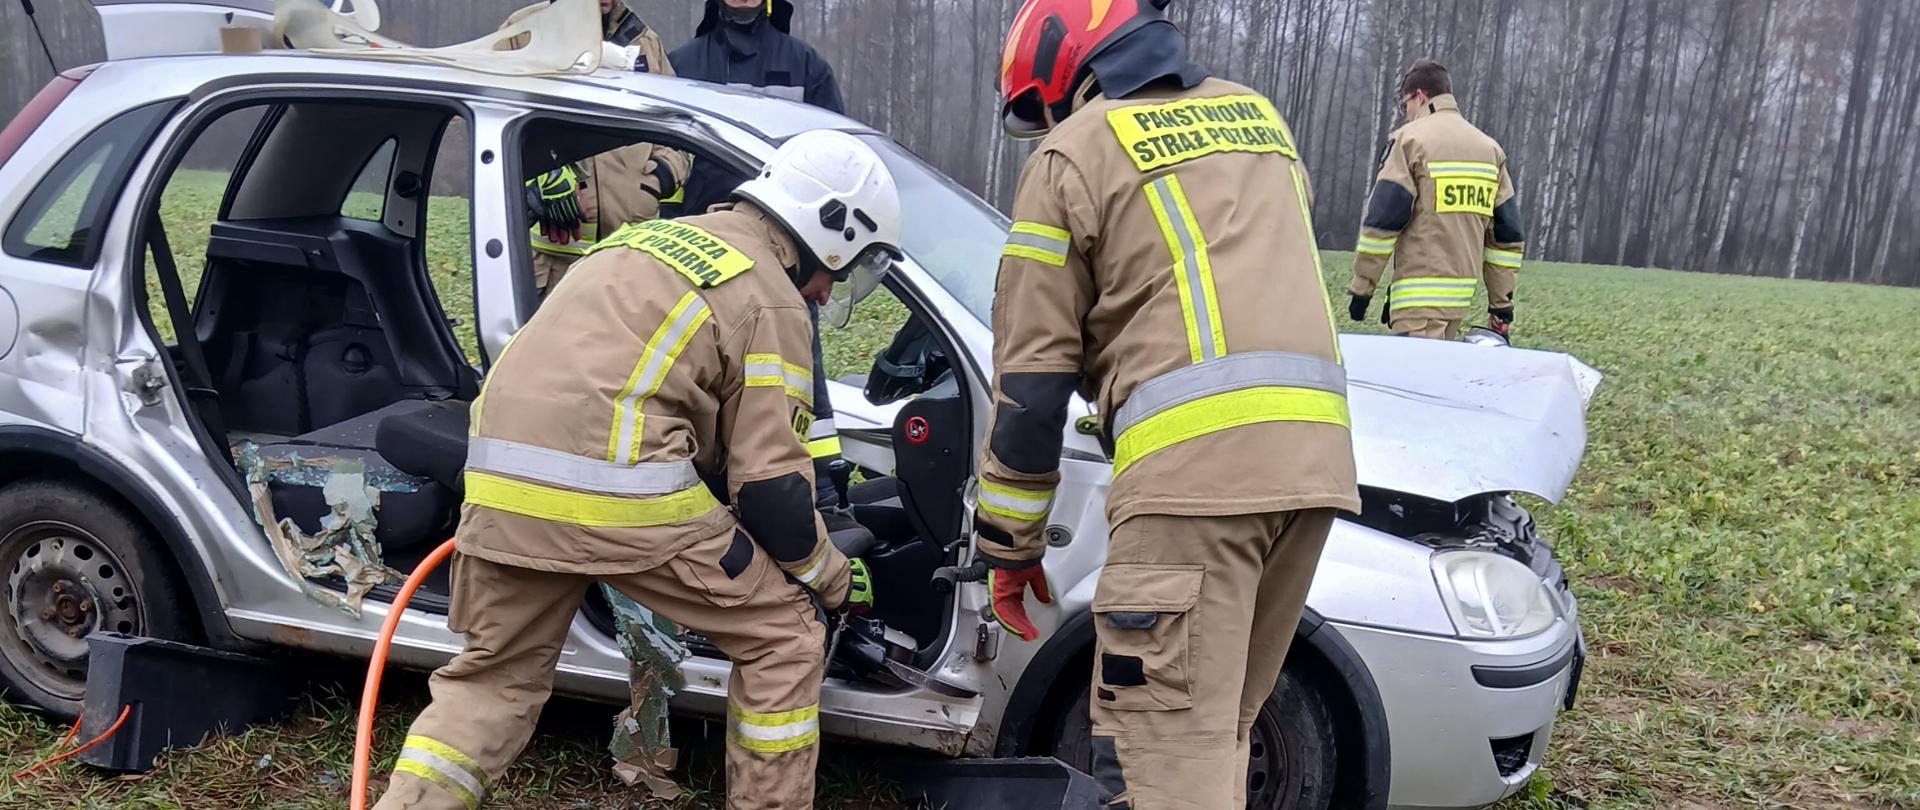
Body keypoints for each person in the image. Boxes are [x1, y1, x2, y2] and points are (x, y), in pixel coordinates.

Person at [372, 130, 900, 810]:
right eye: (841, 269)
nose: (827, 294)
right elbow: (771, 496)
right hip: (625, 492)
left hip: (499, 480)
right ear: (828, 232)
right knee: (785, 638)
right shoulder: (770, 294)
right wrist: (832, 579)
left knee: (489, 682)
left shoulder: (641, 240)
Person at [977, 2, 1359, 808]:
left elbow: (1034, 374)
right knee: (1215, 739)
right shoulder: (1258, 119)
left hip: (1193, 487)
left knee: (1162, 762)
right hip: (1314, 467)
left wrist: (1009, 547)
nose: (1051, 125)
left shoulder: (1073, 152)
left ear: (1061, 70)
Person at [670, 0, 856, 541]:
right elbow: (652, 172)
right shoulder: (682, 65)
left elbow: (835, 159)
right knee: (705, 391)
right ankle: (712, 498)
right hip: (698, 271)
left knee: (799, 391)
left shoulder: (806, 68)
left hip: (788, 265)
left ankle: (819, 494)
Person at [502, 0, 692, 296]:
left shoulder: (644, 41)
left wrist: (660, 178)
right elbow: (493, 122)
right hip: (553, 267)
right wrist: (539, 173)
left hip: (629, 261)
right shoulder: (523, 33)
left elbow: (680, 128)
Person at [1346, 59, 1527, 340]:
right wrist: (1501, 305)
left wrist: (1362, 289)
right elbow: (1506, 237)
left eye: (1405, 104)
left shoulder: (1410, 141)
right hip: (1457, 305)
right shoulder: (1490, 149)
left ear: (1419, 96)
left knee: (1409, 382)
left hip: (1414, 305)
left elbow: (1382, 224)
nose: (1406, 114)